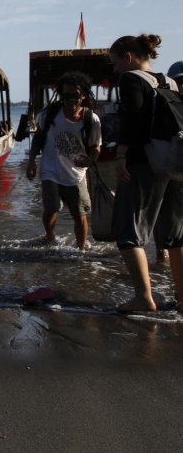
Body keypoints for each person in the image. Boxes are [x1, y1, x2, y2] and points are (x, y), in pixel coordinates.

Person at [108, 34, 183, 313]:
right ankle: (182, 298)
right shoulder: (170, 81)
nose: (114, 69)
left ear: (128, 57)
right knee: (176, 235)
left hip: (145, 162)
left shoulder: (130, 79)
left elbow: (133, 121)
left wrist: (121, 155)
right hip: (176, 162)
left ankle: (143, 297)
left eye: (115, 63)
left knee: (129, 232)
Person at [24, 71, 102, 250]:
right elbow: (38, 137)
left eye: (75, 96)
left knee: (79, 214)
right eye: (66, 96)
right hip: (50, 170)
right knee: (51, 208)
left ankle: (81, 249)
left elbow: (96, 146)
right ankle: (50, 238)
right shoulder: (49, 114)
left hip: (76, 174)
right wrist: (31, 162)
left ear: (83, 96)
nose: (70, 100)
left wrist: (91, 161)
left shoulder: (91, 120)